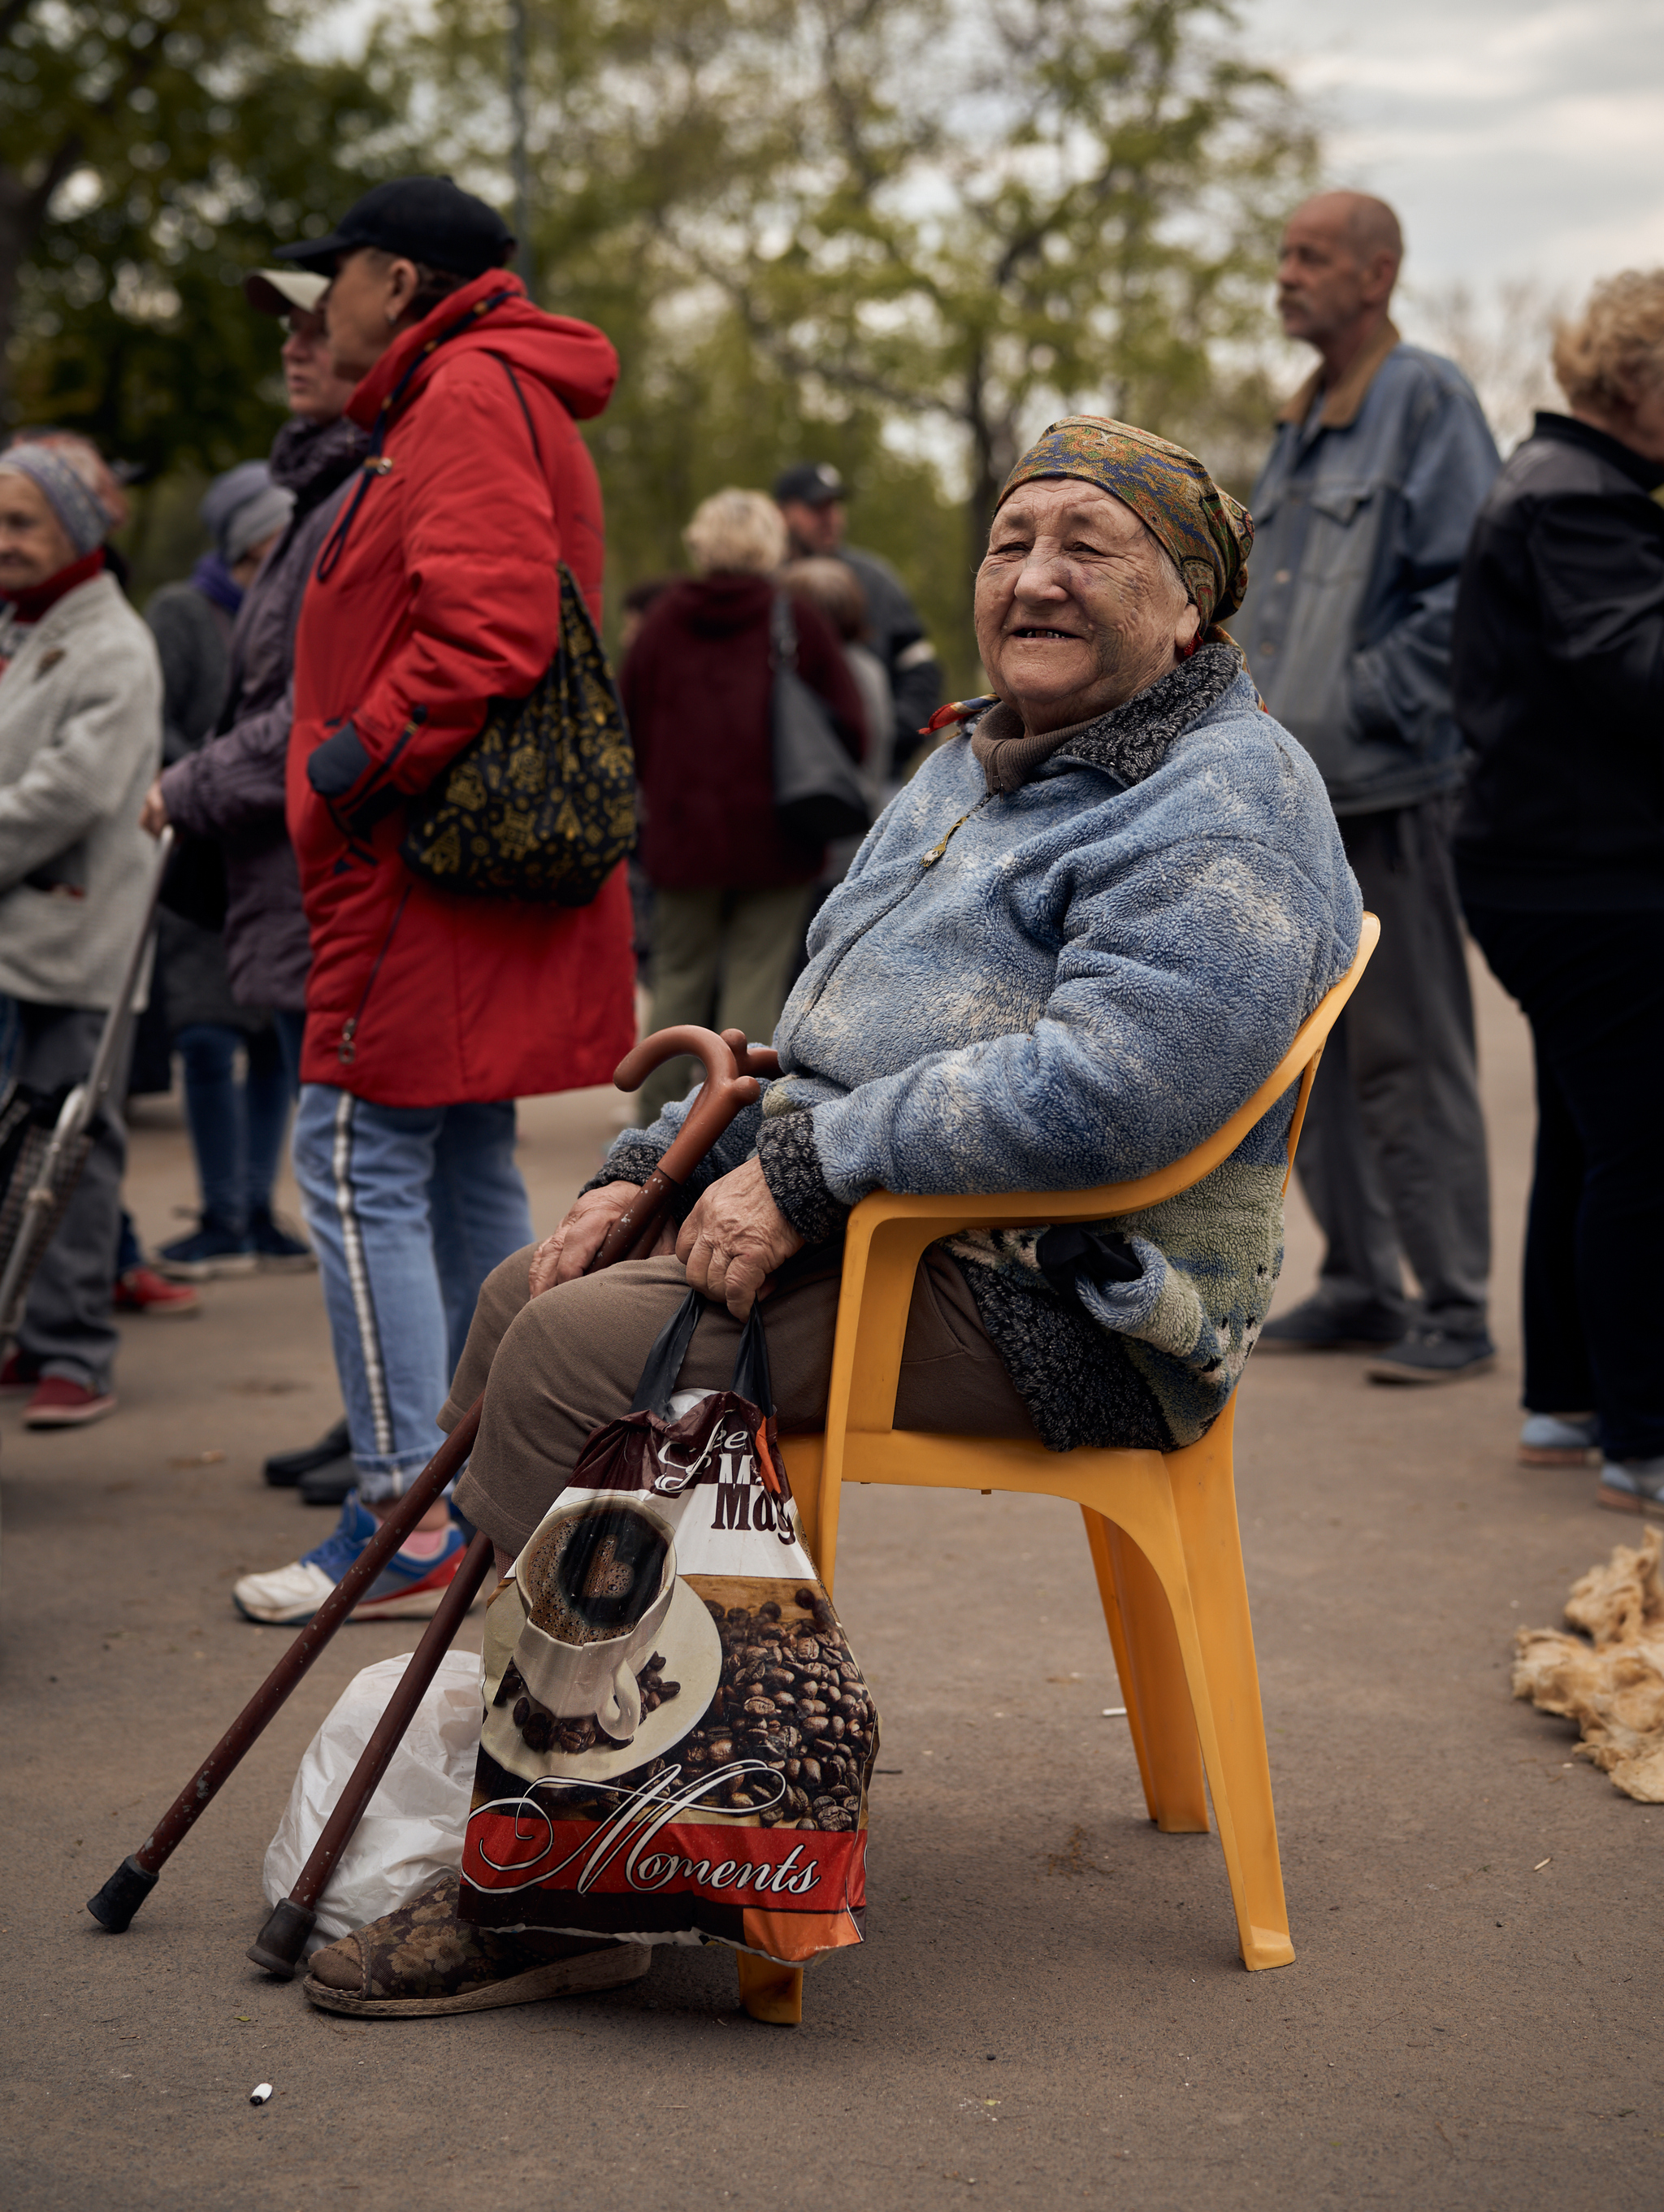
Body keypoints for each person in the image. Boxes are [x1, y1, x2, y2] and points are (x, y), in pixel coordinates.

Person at [299, 414, 1361, 2014]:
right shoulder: (974, 752)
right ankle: (573, 1761)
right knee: (535, 1282)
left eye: (1090, 545)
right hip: (901, 1225)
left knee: (591, 1354)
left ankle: (580, 1873)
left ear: (1190, 604)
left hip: (1063, 1295)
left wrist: (811, 1169)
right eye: (1012, 541)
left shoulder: (1223, 795)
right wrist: (642, 1168)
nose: (1036, 577)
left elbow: (1121, 1087)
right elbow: (807, 1026)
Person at [230, 176, 637, 1626]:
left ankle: (408, 1513)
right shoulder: (489, 383)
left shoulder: (460, 391)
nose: (319, 302)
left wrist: (351, 769)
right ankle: (490, 1497)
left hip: (422, 858)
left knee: (347, 1160)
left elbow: (488, 628)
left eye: (330, 274)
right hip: (453, 860)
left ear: (395, 281)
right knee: (461, 1159)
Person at [1234, 192, 1502, 1384]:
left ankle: (1451, 1301)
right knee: (1314, 1057)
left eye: (1312, 257)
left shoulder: (1430, 397)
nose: (1287, 275)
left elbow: (1471, 594)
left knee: (1409, 1050)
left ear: (1379, 274)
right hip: (1298, 803)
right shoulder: (1296, 424)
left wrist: (1357, 706)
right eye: (1284, 256)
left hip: (1391, 789)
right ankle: (1357, 1283)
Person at [142, 266, 367, 1503]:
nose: (293, 340)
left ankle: (400, 1445)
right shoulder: (315, 492)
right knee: (339, 1163)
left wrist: (196, 779)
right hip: (285, 871)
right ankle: (377, 1417)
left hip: (319, 866)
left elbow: (305, 711)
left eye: (313, 319)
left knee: (359, 1166)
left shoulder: (347, 499)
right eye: (283, 322)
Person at [1452, 270, 1664, 1516]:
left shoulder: (1565, 487)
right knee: (1646, 1148)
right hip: (1590, 881)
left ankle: (1571, 1404)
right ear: (1639, 383)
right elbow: (1638, 671)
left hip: (1555, 868)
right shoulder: (1582, 504)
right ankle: (1642, 1435)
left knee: (1595, 1134)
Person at [0, 433, 162, 1427]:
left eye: (21, 523)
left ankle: (74, 1349)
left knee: (74, 1147)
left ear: (74, 528)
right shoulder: (25, 626)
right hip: (24, 932)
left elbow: (70, 792)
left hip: (76, 935)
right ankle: (30, 1330)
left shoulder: (113, 642)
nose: (3, 542)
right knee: (22, 1144)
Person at [621, 491, 864, 1128]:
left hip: (681, 838)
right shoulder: (795, 618)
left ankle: (650, 1129)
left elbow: (627, 726)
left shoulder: (663, 622)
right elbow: (852, 726)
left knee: (677, 976)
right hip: (777, 836)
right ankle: (728, 1127)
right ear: (769, 542)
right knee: (755, 982)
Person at [145, 462, 307, 1283]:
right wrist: (214, 779)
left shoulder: (303, 611)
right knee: (207, 1040)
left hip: (277, 865)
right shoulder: (182, 610)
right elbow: (154, 716)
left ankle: (254, 1210)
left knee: (275, 1046)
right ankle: (218, 1213)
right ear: (249, 542)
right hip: (206, 858)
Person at [774, 462, 942, 767]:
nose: (830, 518)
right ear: (783, 514)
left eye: (834, 506)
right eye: (816, 507)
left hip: (872, 777)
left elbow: (921, 671)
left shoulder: (876, 581)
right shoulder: (766, 587)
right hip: (784, 776)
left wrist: (888, 739)